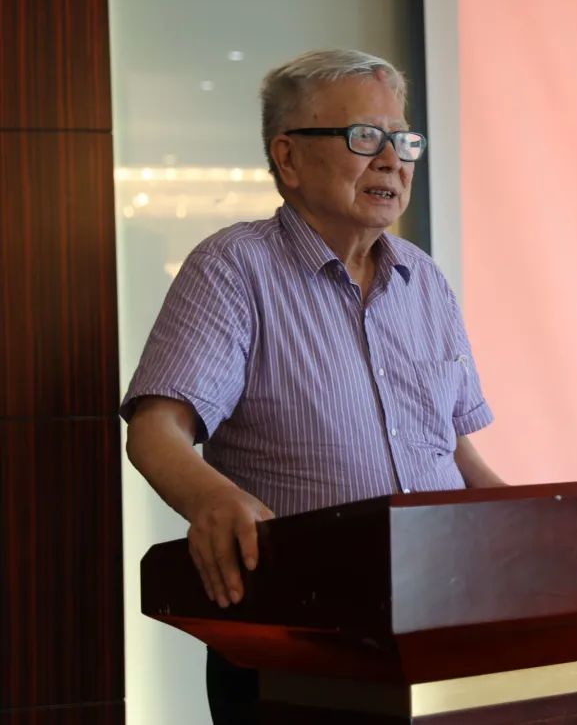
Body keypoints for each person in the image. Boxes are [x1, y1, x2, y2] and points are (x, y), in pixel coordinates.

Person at [120, 49, 503, 723]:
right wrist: (212, 497)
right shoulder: (234, 269)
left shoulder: (424, 280)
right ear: (288, 158)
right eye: (365, 137)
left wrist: (534, 528)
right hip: (300, 640)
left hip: (443, 621)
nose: (392, 160)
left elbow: (453, 449)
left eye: (403, 139)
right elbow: (157, 429)